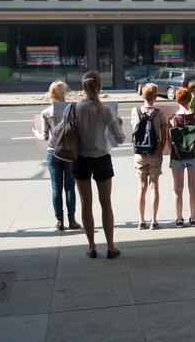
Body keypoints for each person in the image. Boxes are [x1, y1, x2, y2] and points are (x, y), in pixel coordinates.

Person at [72, 71, 125, 259]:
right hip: (101, 158)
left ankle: (92, 246)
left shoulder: (74, 108)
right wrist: (119, 124)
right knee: (106, 203)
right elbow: (119, 138)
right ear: (100, 88)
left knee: (86, 204)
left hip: (80, 159)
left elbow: (58, 134)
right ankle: (111, 247)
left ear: (83, 87)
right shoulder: (105, 110)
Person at [33, 81, 79, 231]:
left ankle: (59, 221)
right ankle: (72, 220)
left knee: (56, 186)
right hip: (69, 152)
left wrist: (35, 133)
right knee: (70, 186)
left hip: (53, 152)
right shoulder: (72, 109)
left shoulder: (46, 112)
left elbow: (45, 137)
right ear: (62, 92)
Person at [132, 83, 168, 229]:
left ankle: (141, 221)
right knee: (154, 187)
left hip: (140, 153)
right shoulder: (159, 113)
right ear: (155, 97)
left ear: (142, 95)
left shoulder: (135, 111)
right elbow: (164, 135)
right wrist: (161, 148)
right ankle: (153, 220)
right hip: (155, 152)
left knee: (141, 188)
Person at [170, 88, 195, 227]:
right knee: (193, 187)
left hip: (177, 156)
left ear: (177, 100)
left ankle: (179, 218)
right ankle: (193, 217)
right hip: (194, 155)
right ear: (190, 100)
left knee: (177, 189)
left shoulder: (173, 119)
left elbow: (169, 139)